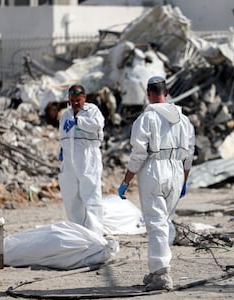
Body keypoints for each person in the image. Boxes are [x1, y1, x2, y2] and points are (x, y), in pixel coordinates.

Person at [118, 76, 195, 291]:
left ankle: (161, 273)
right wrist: (184, 181)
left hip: (154, 169)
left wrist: (126, 181)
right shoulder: (184, 120)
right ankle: (156, 269)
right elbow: (189, 154)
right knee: (163, 221)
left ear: (148, 94)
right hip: (177, 171)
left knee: (156, 223)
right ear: (167, 93)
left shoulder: (146, 119)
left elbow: (138, 154)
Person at [58, 84, 105, 236]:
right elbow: (63, 134)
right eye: (72, 100)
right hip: (69, 159)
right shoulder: (66, 114)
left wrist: (79, 122)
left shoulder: (92, 111)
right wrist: (62, 149)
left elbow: (97, 125)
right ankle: (79, 232)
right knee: (71, 196)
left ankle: (95, 233)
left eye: (78, 100)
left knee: (90, 195)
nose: (75, 103)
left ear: (84, 98)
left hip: (87, 157)